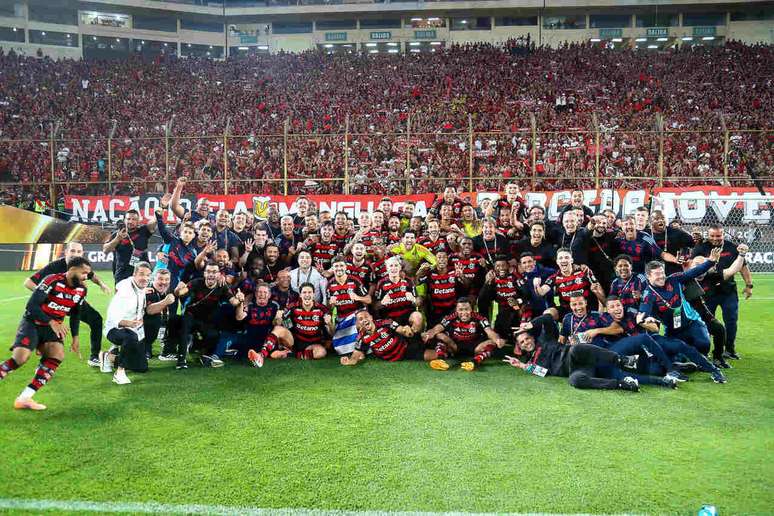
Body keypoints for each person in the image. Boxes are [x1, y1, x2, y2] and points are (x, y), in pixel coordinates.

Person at [0, 256, 92, 410]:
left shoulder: (82, 290)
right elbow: (32, 306)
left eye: (88, 275)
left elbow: (76, 314)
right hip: (33, 323)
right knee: (20, 358)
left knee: (56, 356)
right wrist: (51, 322)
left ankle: (25, 398)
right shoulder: (52, 280)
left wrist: (75, 338)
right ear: (71, 270)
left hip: (52, 328)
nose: (85, 277)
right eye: (83, 273)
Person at [24, 242, 111, 367]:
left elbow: (92, 275)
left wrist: (101, 284)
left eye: (79, 252)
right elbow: (28, 282)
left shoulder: (81, 266)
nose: (75, 254)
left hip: (73, 303)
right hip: (56, 304)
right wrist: (49, 296)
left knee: (96, 319)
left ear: (82, 254)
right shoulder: (54, 267)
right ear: (66, 252)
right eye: (72, 251)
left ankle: (94, 357)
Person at [504, 313, 641, 392]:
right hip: (575, 369)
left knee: (576, 348)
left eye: (527, 338)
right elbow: (543, 373)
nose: (526, 342)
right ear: (520, 347)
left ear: (532, 337)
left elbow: (548, 318)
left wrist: (532, 324)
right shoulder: (531, 363)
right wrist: (521, 365)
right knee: (575, 380)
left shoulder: (545, 338)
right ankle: (622, 384)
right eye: (522, 342)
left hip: (575, 354)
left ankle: (623, 360)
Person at [639, 249, 722, 356]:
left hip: (691, 323)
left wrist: (710, 261)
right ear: (648, 276)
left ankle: (694, 350)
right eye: (657, 274)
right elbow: (643, 313)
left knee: (704, 346)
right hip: (672, 330)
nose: (661, 276)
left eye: (662, 273)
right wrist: (643, 319)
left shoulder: (674, 279)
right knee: (676, 357)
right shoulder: (648, 295)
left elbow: (694, 272)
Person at [691, 224, 753, 360]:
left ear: (723, 234)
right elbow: (693, 265)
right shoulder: (700, 248)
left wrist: (749, 285)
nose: (715, 239)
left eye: (718, 236)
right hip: (706, 291)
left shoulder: (732, 247)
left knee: (731, 320)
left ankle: (729, 349)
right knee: (706, 322)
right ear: (708, 234)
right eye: (712, 235)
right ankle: (704, 350)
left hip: (727, 290)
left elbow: (742, 266)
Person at [686, 245, 749, 369]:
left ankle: (718, 358)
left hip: (703, 313)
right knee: (697, 340)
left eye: (702, 265)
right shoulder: (684, 278)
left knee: (719, 329)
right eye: (696, 264)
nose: (699, 267)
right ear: (691, 265)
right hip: (687, 317)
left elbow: (732, 270)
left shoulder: (712, 276)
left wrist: (741, 255)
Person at [173, 262, 243, 369]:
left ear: (219, 274)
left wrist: (239, 298)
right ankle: (181, 360)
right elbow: (181, 292)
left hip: (207, 320)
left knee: (214, 336)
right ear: (204, 274)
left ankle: (199, 350)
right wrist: (178, 289)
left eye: (214, 272)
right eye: (208, 271)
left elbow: (234, 302)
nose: (211, 274)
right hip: (190, 315)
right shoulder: (196, 282)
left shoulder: (222, 286)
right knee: (184, 328)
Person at [102, 262, 154, 385]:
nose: (145, 278)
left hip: (134, 329)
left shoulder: (139, 287)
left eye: (148, 275)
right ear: (134, 274)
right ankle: (119, 372)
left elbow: (137, 289)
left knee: (141, 367)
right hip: (114, 329)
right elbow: (112, 316)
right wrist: (128, 323)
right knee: (131, 336)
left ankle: (108, 357)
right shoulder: (125, 290)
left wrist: (143, 290)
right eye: (141, 274)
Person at [422, 298, 506, 371]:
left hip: (475, 347)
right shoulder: (451, 317)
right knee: (440, 335)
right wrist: (429, 333)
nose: (464, 312)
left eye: (466, 309)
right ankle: (440, 360)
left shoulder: (480, 318)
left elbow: (489, 331)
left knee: (492, 342)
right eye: (461, 310)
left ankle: (475, 362)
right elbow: (438, 327)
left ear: (472, 309)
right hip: (455, 346)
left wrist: (497, 340)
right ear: (456, 310)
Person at [341, 310, 438, 366]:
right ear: (358, 324)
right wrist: (349, 361)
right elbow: (356, 355)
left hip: (406, 346)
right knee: (435, 354)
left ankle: (431, 339)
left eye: (366, 317)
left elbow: (401, 330)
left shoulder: (385, 323)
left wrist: (407, 331)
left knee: (436, 352)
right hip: (403, 355)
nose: (364, 320)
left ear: (371, 317)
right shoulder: (361, 338)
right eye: (360, 319)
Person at [103, 204, 161, 283]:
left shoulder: (143, 231)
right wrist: (117, 238)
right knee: (122, 295)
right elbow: (105, 250)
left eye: (134, 219)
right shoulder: (116, 234)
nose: (130, 221)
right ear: (124, 220)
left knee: (145, 295)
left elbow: (154, 221)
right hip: (122, 274)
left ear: (138, 221)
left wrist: (161, 208)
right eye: (128, 219)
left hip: (142, 272)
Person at [284, 283, 333, 360]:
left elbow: (332, 333)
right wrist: (279, 318)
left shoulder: (322, 309)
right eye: (304, 292)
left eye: (309, 292)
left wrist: (329, 323)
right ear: (300, 295)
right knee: (278, 329)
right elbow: (282, 323)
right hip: (296, 341)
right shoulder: (293, 307)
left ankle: (293, 354)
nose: (307, 295)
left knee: (321, 352)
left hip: (314, 343)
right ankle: (263, 354)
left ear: (314, 294)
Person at [143, 269, 177, 361]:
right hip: (143, 324)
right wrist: (165, 302)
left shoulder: (170, 289)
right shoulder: (148, 291)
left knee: (178, 320)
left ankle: (168, 350)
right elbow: (149, 310)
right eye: (160, 279)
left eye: (166, 279)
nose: (163, 282)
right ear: (153, 279)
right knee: (154, 318)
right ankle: (145, 347)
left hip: (163, 321)